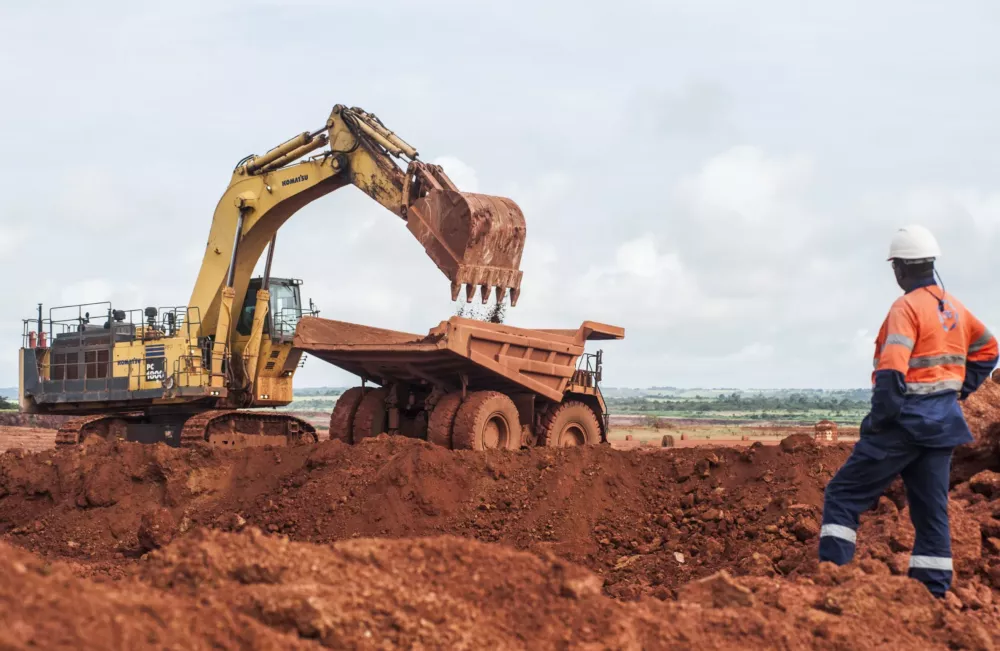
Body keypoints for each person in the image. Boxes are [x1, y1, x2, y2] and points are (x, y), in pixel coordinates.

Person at [819, 225, 998, 597]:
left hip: (905, 425)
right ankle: (932, 593)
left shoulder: (906, 308)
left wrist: (878, 422)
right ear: (931, 264)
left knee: (842, 495)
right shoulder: (954, 307)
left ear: (898, 267)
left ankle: (833, 582)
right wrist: (959, 389)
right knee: (931, 512)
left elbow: (890, 373)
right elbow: (989, 350)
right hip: (942, 427)